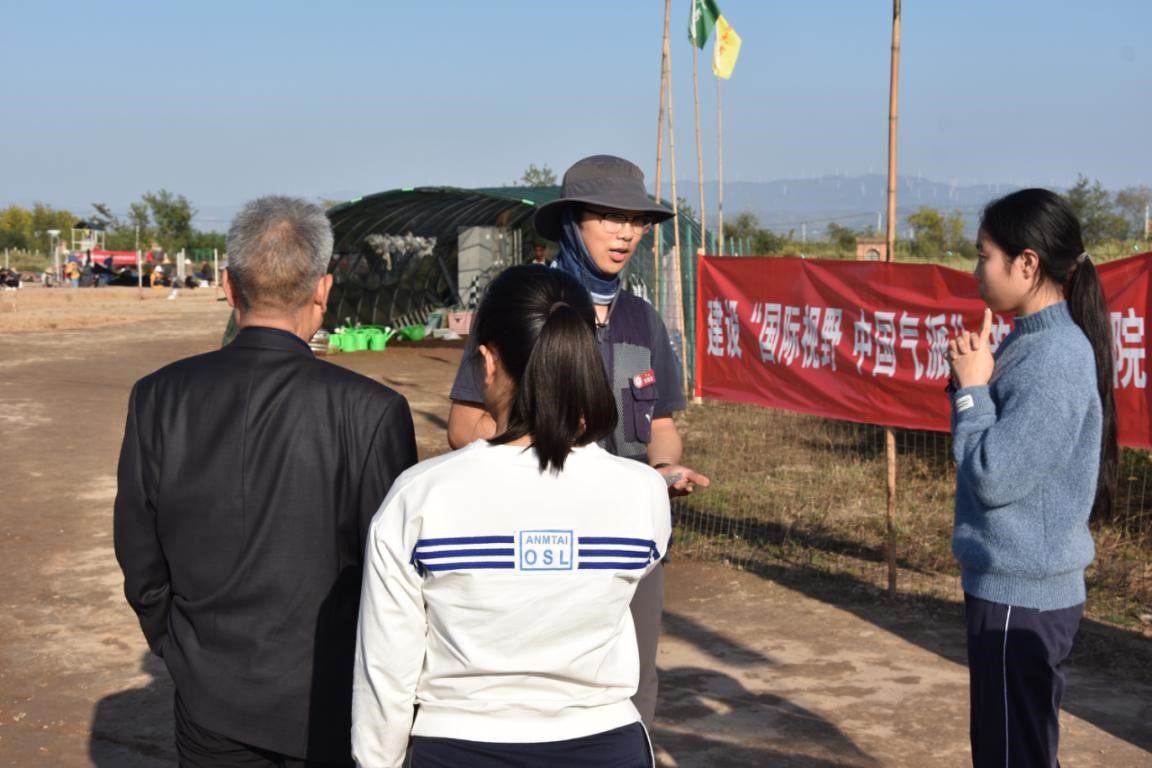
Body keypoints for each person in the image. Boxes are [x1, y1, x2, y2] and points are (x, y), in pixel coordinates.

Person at [114, 196, 418, 767]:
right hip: (331, 698)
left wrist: (179, 647)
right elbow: (393, 575)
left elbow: (138, 550)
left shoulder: (159, 396)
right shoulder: (372, 410)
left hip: (209, 697)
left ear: (228, 287)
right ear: (323, 290)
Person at [353, 264, 670, 767]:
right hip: (607, 745)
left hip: (456, 748)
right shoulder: (642, 492)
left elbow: (385, 671)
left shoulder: (420, 495)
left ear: (487, 361)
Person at [445, 154, 710, 727]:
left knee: (633, 683)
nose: (627, 233)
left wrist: (661, 472)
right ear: (571, 222)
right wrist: (547, 445)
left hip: (627, 536)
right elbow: (464, 427)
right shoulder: (522, 310)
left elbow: (661, 426)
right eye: (610, 217)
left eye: (637, 220)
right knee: (535, 690)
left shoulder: (643, 320)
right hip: (533, 535)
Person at [947, 188, 1117, 768]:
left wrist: (972, 390)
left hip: (1021, 595)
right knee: (1013, 748)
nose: (976, 271)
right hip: (1013, 585)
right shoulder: (1032, 340)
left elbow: (994, 476)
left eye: (983, 256)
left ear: (1027, 263)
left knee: (1011, 754)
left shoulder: (1055, 357)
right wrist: (970, 385)